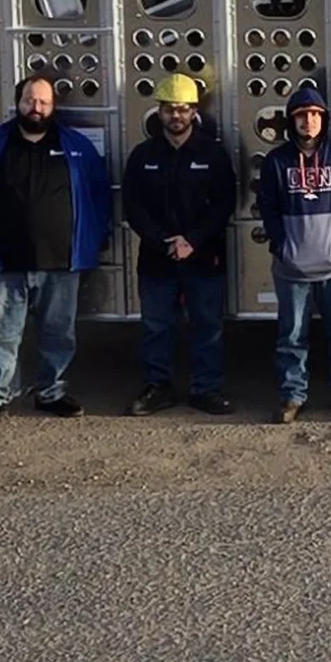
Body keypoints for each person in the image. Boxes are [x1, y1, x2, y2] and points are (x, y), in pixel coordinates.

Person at [0, 75, 112, 425]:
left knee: (58, 332)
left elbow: (99, 195)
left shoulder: (76, 147)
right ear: (18, 103)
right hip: (6, 260)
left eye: (43, 102)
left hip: (62, 260)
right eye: (29, 100)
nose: (35, 108)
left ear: (53, 106)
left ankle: (50, 392)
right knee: (0, 334)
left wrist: (95, 236)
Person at [121, 73, 238, 416]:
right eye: (170, 109)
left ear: (194, 112)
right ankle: (158, 388)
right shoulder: (143, 155)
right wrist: (162, 241)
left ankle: (206, 389)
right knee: (157, 327)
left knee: (208, 326)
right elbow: (133, 205)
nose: (176, 116)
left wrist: (193, 240)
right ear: (159, 112)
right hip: (157, 259)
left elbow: (223, 203)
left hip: (204, 257)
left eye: (183, 109)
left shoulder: (213, 154)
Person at [256, 83, 331, 423]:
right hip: (292, 267)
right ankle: (292, 395)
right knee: (291, 336)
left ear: (324, 120)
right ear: (292, 121)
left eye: (315, 115)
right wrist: (281, 244)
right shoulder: (276, 161)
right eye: (301, 116)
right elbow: (268, 207)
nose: (308, 122)